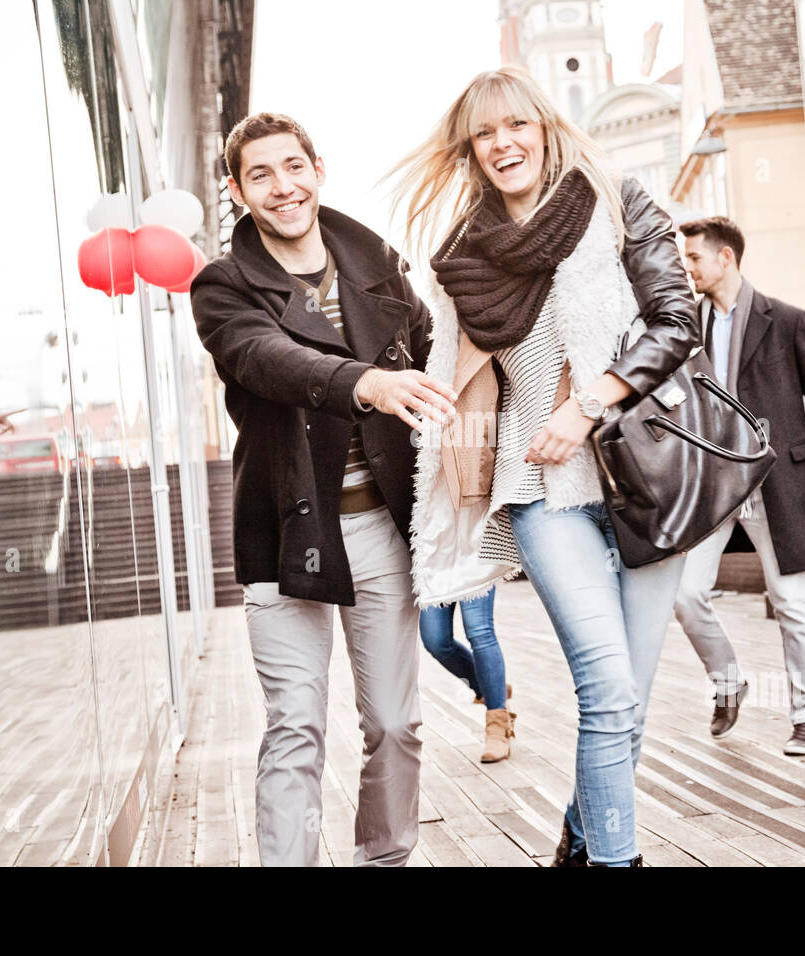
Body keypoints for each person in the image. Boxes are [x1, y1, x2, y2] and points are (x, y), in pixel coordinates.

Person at [390, 67, 700, 866]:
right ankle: (615, 860)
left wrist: (591, 400)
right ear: (470, 151)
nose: (503, 144)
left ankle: (582, 833)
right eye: (485, 134)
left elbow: (677, 322)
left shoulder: (621, 202)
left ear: (546, 128)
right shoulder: (461, 255)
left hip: (647, 480)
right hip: (539, 491)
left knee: (627, 703)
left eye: (517, 126)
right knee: (605, 687)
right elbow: (455, 373)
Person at [190, 112, 457, 867]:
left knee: (396, 724)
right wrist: (364, 382)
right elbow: (265, 358)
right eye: (261, 175)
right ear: (238, 190)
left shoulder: (378, 263)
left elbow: (440, 361)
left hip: (379, 530)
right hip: (285, 535)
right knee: (296, 726)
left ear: (317, 170)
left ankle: (386, 857)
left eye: (293, 167)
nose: (283, 187)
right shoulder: (223, 285)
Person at [673, 216, 805, 756]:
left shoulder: (788, 320)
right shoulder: (687, 326)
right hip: (716, 485)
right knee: (685, 594)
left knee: (792, 602)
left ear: (725, 258)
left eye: (695, 258)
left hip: (779, 482)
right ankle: (729, 682)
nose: (688, 268)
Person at [417, 586, 515, 762]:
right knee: (436, 641)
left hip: (472, 561)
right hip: (433, 564)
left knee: (479, 631)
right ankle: (493, 690)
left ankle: (498, 727)